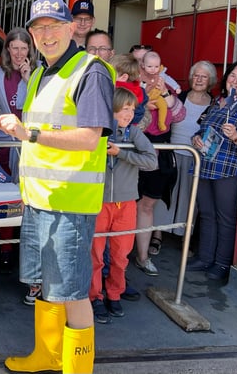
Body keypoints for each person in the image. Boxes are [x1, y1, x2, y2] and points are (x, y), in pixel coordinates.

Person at [0, 0, 114, 373]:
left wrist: (29, 134)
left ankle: (77, 368)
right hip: (39, 200)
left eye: (53, 26)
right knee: (48, 286)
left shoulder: (90, 71)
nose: (45, 35)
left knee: (74, 293)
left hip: (70, 203)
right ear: (31, 35)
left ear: (69, 28)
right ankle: (46, 355)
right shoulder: (39, 74)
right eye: (38, 28)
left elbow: (89, 138)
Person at [89, 88, 157, 324]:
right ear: (113, 109)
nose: (129, 114)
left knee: (120, 255)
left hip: (126, 203)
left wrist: (122, 154)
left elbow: (151, 161)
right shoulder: (98, 132)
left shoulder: (134, 133)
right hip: (98, 202)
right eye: (124, 109)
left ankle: (114, 294)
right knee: (95, 255)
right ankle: (94, 297)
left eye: (132, 109)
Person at [188, 61, 237, 282]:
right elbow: (203, 128)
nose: (235, 81)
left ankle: (222, 263)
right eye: (232, 76)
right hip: (205, 164)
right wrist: (196, 138)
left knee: (225, 218)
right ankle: (204, 258)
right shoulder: (217, 102)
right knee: (206, 214)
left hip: (228, 169)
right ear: (226, 79)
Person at [0, 27, 34, 279]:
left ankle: (25, 249)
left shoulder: (38, 74)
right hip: (4, 144)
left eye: (23, 48)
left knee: (27, 198)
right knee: (7, 195)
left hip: (31, 145)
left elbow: (40, 110)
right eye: (14, 47)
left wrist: (28, 79)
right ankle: (4, 247)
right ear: (7, 50)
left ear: (30, 50)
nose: (18, 53)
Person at [134, 51, 186, 276]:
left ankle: (143, 257)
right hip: (133, 147)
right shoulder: (132, 83)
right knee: (123, 205)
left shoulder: (167, 84)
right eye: (147, 65)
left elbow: (179, 115)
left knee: (146, 205)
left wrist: (164, 92)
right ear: (141, 65)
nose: (151, 69)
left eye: (155, 66)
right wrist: (144, 105)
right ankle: (115, 257)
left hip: (159, 149)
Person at [155, 61, 216, 237]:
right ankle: (157, 235)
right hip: (172, 154)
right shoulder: (178, 97)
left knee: (190, 199)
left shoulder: (214, 104)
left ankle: (184, 237)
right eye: (196, 75)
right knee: (164, 196)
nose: (199, 79)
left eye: (204, 76)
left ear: (210, 80)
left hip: (196, 158)